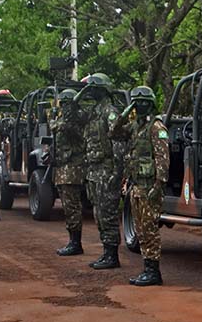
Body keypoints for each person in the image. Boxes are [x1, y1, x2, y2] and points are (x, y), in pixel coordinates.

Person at [112, 86, 170, 286]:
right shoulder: (136, 127)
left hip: (149, 186)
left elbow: (163, 159)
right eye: (137, 102)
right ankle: (148, 269)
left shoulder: (156, 127)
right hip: (136, 186)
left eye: (144, 102)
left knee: (149, 229)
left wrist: (159, 185)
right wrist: (127, 111)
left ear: (151, 103)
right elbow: (114, 132)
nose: (141, 105)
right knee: (140, 230)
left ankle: (153, 272)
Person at [78, 73, 122, 270]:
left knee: (108, 213)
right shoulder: (93, 112)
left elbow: (118, 142)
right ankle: (106, 252)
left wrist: (117, 173)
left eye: (93, 88)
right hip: (94, 170)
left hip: (106, 169)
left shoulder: (109, 112)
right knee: (98, 213)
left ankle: (112, 255)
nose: (91, 92)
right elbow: (71, 112)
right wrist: (82, 92)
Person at [50, 88, 87, 256]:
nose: (64, 107)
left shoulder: (76, 121)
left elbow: (66, 127)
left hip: (73, 168)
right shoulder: (63, 119)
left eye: (67, 104)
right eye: (62, 104)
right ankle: (72, 240)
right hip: (62, 167)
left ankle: (75, 242)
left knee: (72, 206)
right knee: (67, 206)